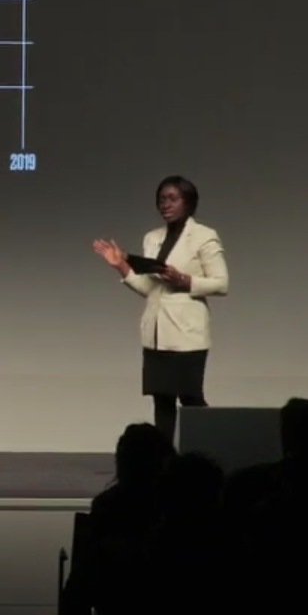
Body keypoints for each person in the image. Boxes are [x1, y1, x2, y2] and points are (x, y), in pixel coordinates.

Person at [92, 175, 230, 445]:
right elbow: (149, 289)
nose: (165, 204)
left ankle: (209, 454)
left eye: (172, 198)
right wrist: (121, 265)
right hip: (156, 333)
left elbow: (222, 284)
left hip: (187, 334)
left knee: (190, 399)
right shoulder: (152, 238)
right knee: (161, 400)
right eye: (161, 199)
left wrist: (185, 280)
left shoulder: (204, 236)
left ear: (188, 202)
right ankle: (163, 463)